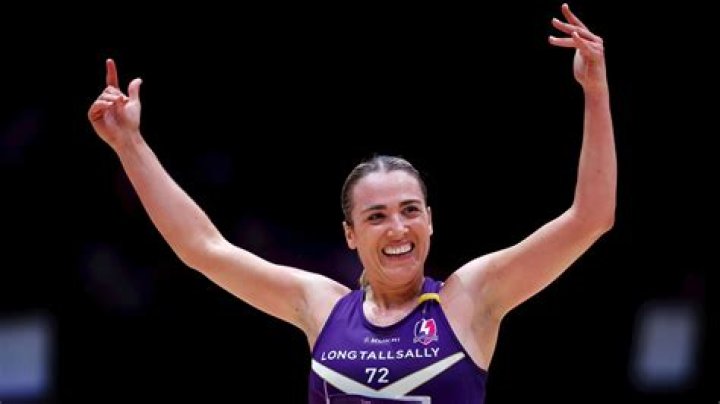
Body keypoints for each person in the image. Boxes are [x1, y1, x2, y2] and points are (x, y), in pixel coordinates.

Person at [87, 3, 615, 403]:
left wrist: (595, 89)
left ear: (431, 221)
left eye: (410, 210)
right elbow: (203, 248)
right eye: (376, 216)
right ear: (350, 234)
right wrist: (129, 145)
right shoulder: (322, 306)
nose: (397, 228)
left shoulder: (470, 299)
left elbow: (590, 218)